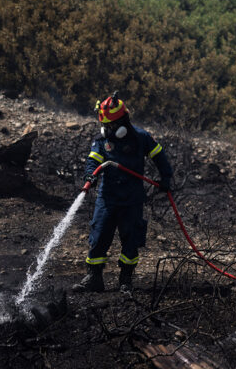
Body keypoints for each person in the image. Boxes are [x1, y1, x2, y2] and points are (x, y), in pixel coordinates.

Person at [73, 92, 173, 293]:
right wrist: (90, 176)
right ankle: (94, 278)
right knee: (99, 235)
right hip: (107, 198)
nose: (108, 129)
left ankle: (125, 279)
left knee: (131, 238)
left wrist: (165, 179)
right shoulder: (102, 140)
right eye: (106, 125)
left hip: (132, 199)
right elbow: (93, 161)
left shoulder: (141, 138)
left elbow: (160, 157)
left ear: (122, 121)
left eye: (111, 125)